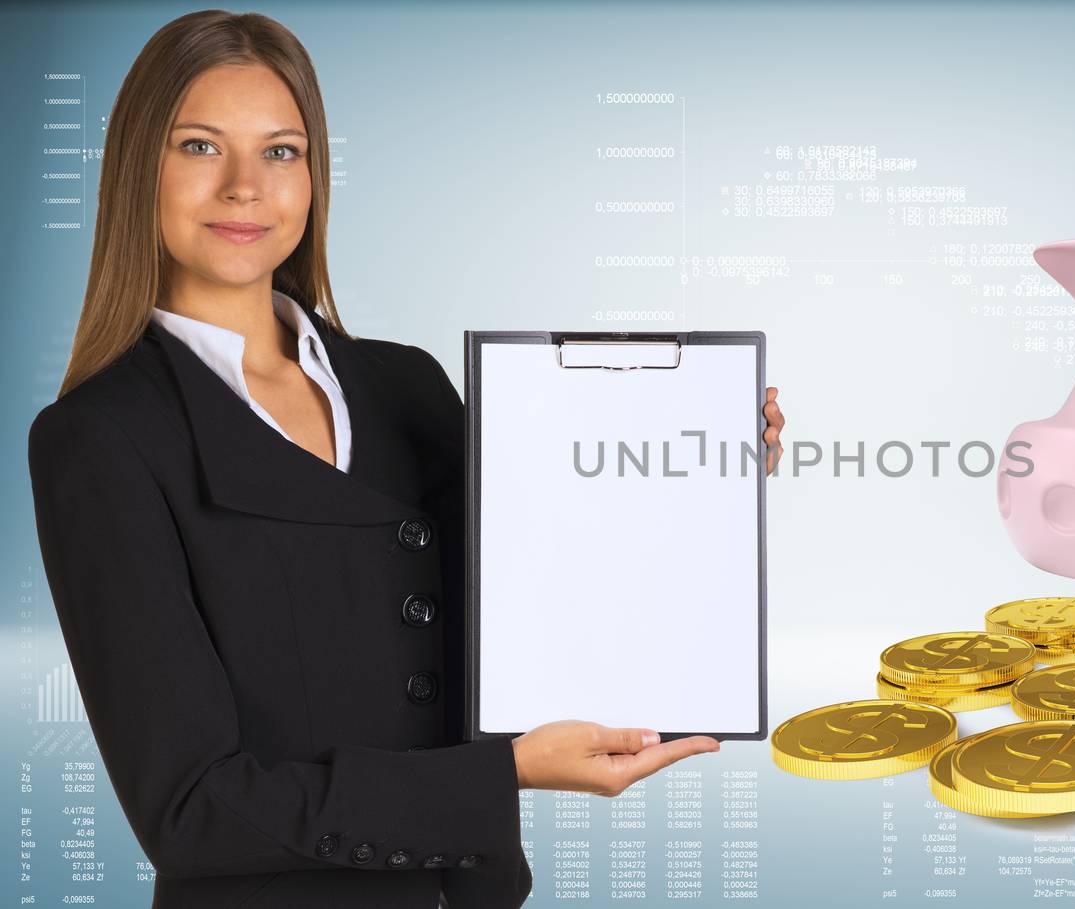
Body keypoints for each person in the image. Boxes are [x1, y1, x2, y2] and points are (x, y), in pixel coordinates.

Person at [26, 10, 785, 909]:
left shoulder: (408, 387)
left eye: (280, 151)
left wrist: (692, 471)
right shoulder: (100, 438)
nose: (244, 187)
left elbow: (542, 587)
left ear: (314, 176)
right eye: (199, 146)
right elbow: (193, 809)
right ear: (136, 171)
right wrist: (500, 778)